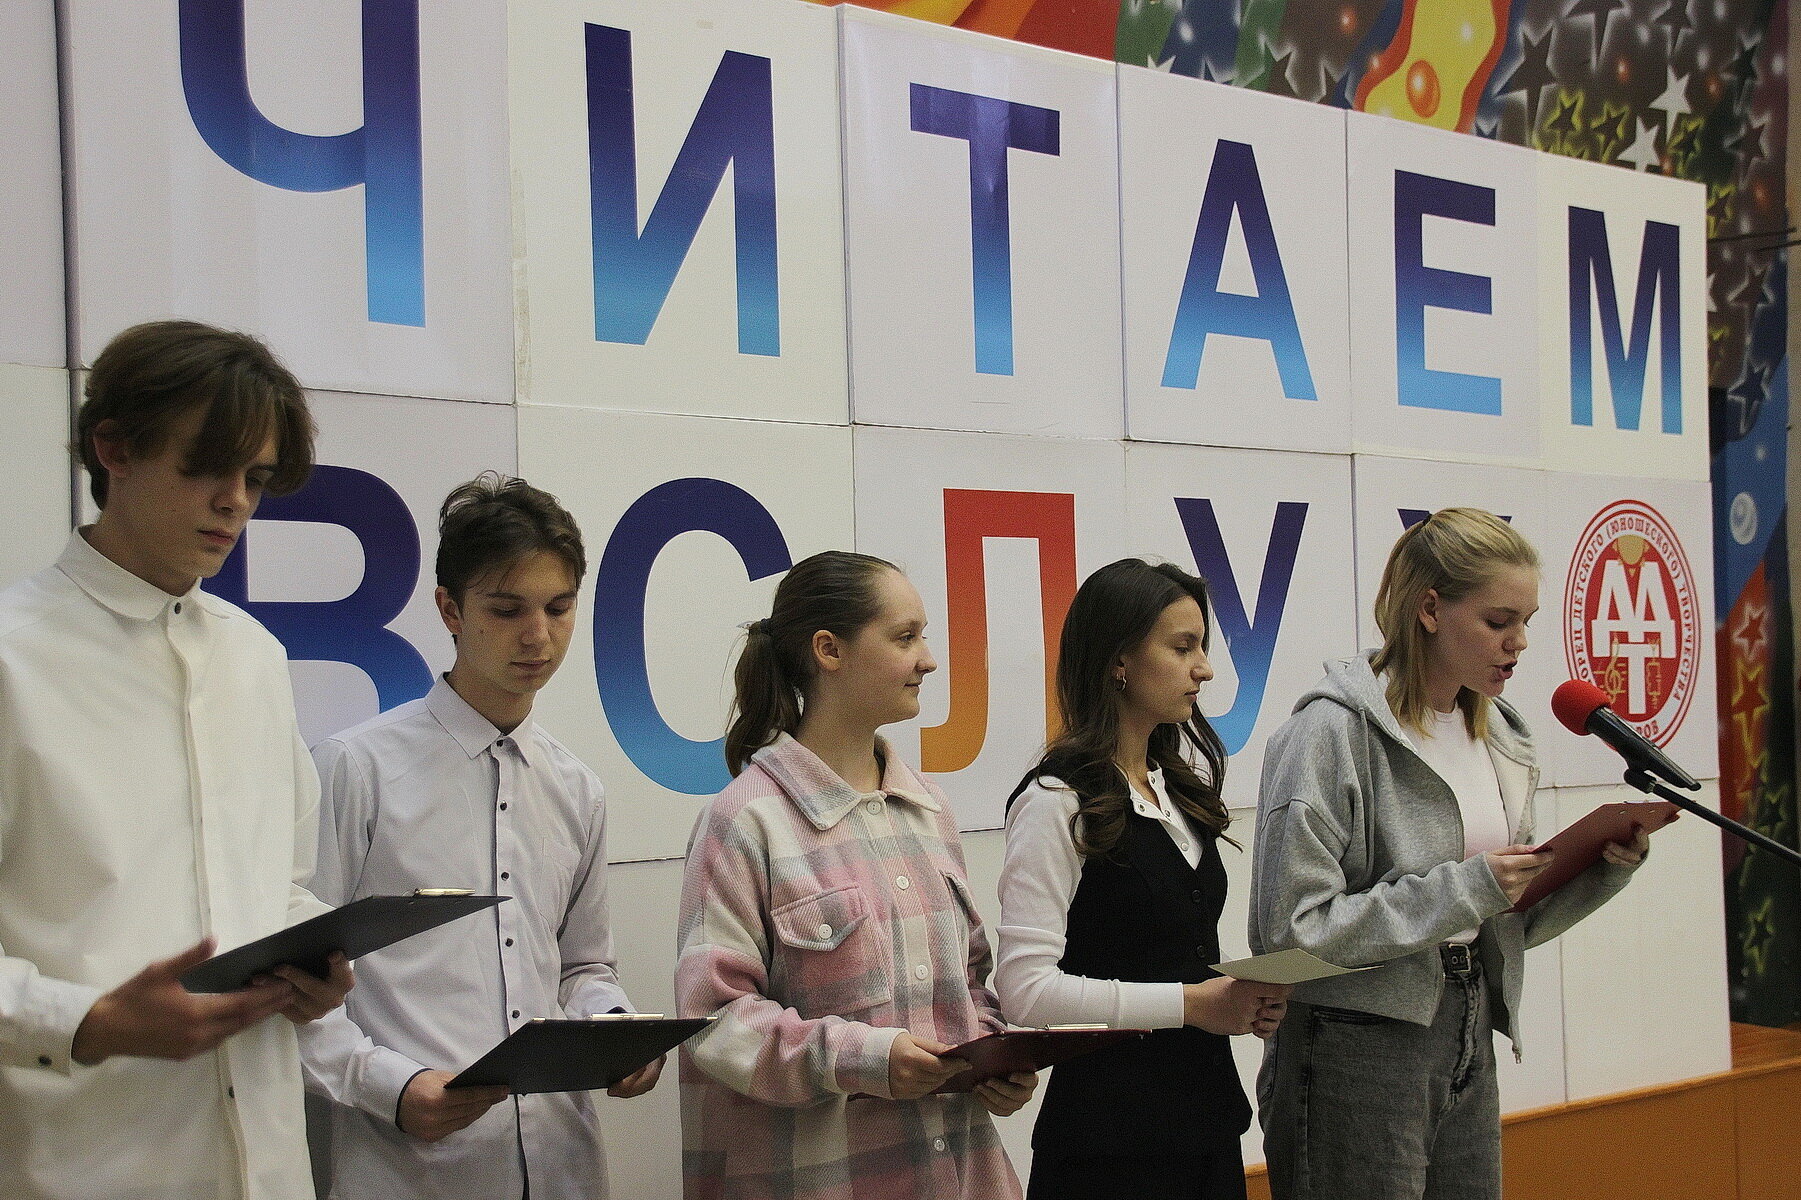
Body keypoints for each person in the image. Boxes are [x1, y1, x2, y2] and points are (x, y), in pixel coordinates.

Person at [0, 319, 355, 1200]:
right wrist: (88, 1020)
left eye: (256, 478)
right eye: (206, 467)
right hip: (86, 1165)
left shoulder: (255, 658)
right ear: (113, 449)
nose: (235, 502)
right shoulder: (12, 662)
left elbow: (276, 885)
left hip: (268, 1163)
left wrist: (315, 963)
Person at [1249, 508, 1651, 1200]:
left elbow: (1498, 916)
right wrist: (1467, 889)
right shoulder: (1329, 734)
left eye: (1526, 621)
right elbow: (1290, 933)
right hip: (1354, 1037)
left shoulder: (1500, 733)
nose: (1518, 643)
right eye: (1498, 621)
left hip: (1470, 1016)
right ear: (1429, 609)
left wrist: (1598, 866)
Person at [299, 474, 658, 1200]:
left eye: (558, 607)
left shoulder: (576, 787)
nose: (538, 635)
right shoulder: (356, 768)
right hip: (410, 1169)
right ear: (450, 610)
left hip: (561, 1164)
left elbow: (582, 967)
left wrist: (615, 1031)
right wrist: (392, 1087)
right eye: (506, 609)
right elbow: (296, 989)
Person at [676, 550, 1036, 1200]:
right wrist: (863, 1058)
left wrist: (992, 1055)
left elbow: (971, 983)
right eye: (905, 637)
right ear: (829, 650)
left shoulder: (928, 811)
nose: (928, 659)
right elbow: (714, 1022)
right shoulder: (746, 820)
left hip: (958, 1174)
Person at [997, 558, 1289, 1200]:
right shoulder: (1056, 800)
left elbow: (1177, 955)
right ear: (1118, 662)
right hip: (1106, 1148)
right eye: (1183, 648)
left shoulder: (1179, 791)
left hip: (1208, 1128)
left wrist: (1241, 1000)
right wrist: (1193, 1005)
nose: (1204, 670)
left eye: (1202, 648)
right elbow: (1025, 992)